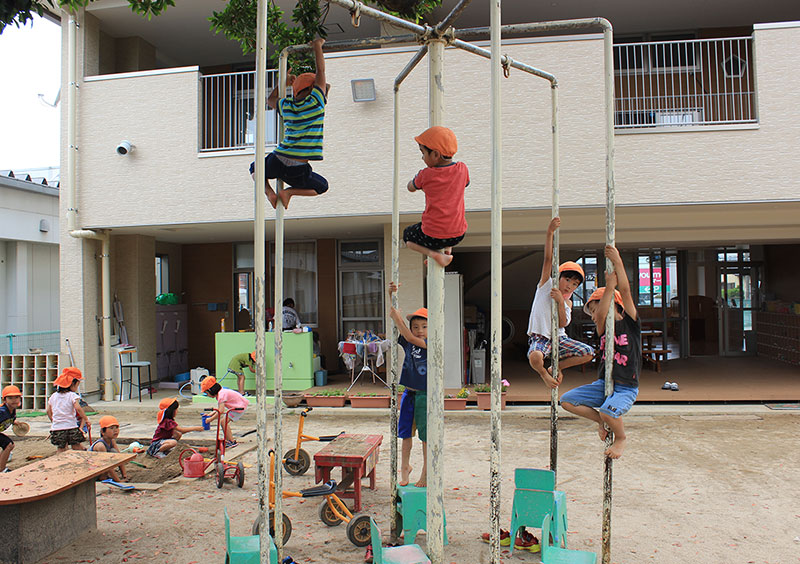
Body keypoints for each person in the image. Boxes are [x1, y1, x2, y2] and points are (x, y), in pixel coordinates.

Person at [560, 245, 641, 459]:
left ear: (616, 306)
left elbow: (624, 291)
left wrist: (617, 264)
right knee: (566, 400)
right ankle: (601, 420)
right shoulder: (602, 328)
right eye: (592, 313)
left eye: (594, 311)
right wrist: (608, 288)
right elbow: (604, 313)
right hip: (603, 384)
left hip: (625, 388)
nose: (594, 316)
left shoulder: (631, 322)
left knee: (608, 410)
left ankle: (621, 437)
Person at [249, 38, 330, 210]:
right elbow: (321, 71)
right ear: (311, 89)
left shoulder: (288, 106)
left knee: (255, 168)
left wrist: (283, 81)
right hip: (298, 169)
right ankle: (289, 193)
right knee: (322, 186)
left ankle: (269, 192)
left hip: (278, 158)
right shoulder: (316, 102)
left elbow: (270, 100)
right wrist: (317, 46)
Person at [528, 217, 594, 388]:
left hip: (559, 338)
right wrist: (549, 233)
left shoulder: (568, 302)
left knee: (588, 353)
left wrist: (559, 301)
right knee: (534, 356)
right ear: (559, 277)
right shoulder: (546, 285)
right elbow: (548, 259)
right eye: (568, 280)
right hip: (541, 336)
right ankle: (544, 374)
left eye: (574, 284)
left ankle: (556, 368)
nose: (569, 286)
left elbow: (563, 323)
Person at [403, 126, 469, 268]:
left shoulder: (426, 174)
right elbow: (466, 183)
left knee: (408, 236)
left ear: (435, 155)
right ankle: (446, 252)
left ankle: (436, 255)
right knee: (446, 225)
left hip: (432, 236)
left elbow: (410, 187)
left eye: (423, 152)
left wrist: (415, 180)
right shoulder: (462, 169)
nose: (422, 157)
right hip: (458, 234)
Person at [388, 281, 429, 488]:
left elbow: (409, 336)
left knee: (425, 437)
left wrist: (398, 320)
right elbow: (404, 335)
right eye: (415, 327)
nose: (419, 330)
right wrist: (391, 295)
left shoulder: (430, 343)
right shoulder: (409, 340)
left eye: (424, 327)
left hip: (424, 395)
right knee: (405, 434)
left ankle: (425, 472)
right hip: (409, 394)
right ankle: (405, 468)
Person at [47, 367, 90, 453]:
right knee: (76, 445)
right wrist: (86, 418)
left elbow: (48, 411)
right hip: (71, 426)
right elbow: (78, 408)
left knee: (61, 448)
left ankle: (60, 462)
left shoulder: (53, 396)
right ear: (72, 384)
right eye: (77, 385)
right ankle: (84, 456)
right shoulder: (72, 395)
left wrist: (54, 420)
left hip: (57, 428)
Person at [200, 376, 249, 449]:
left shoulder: (221, 395)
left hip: (239, 407)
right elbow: (219, 409)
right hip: (237, 406)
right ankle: (228, 440)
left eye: (207, 393)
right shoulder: (221, 393)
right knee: (223, 422)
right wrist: (210, 414)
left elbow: (221, 411)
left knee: (223, 422)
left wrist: (211, 419)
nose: (208, 395)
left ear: (211, 391)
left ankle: (231, 441)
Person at [89, 415, 129, 482]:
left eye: (116, 427)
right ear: (103, 432)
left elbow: (119, 458)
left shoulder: (112, 441)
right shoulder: (100, 446)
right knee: (108, 458)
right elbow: (107, 466)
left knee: (114, 452)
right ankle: (102, 477)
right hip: (92, 471)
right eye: (111, 428)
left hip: (102, 467)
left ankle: (105, 476)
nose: (115, 430)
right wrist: (118, 481)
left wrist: (124, 476)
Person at [0, 385, 23, 472]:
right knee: (8, 445)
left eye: (16, 397)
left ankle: (1, 468)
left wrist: (14, 422)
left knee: (9, 445)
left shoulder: (12, 409)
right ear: (4, 400)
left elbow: (10, 418)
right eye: (10, 398)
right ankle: (1, 469)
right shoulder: (2, 411)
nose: (14, 400)